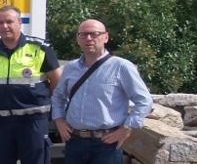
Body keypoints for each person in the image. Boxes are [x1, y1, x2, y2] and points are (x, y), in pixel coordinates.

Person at [51, 19, 152, 164]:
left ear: (105, 37)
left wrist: (127, 128)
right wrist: (59, 121)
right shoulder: (70, 68)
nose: (89, 38)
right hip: (75, 142)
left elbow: (144, 101)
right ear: (77, 39)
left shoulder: (121, 66)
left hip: (106, 144)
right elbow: (58, 97)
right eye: (83, 35)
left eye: (94, 34)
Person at [0, 6, 62, 164]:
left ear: (19, 22)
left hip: (32, 120)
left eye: (9, 21)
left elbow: (58, 82)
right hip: (0, 122)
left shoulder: (39, 49)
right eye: (0, 23)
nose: (4, 26)